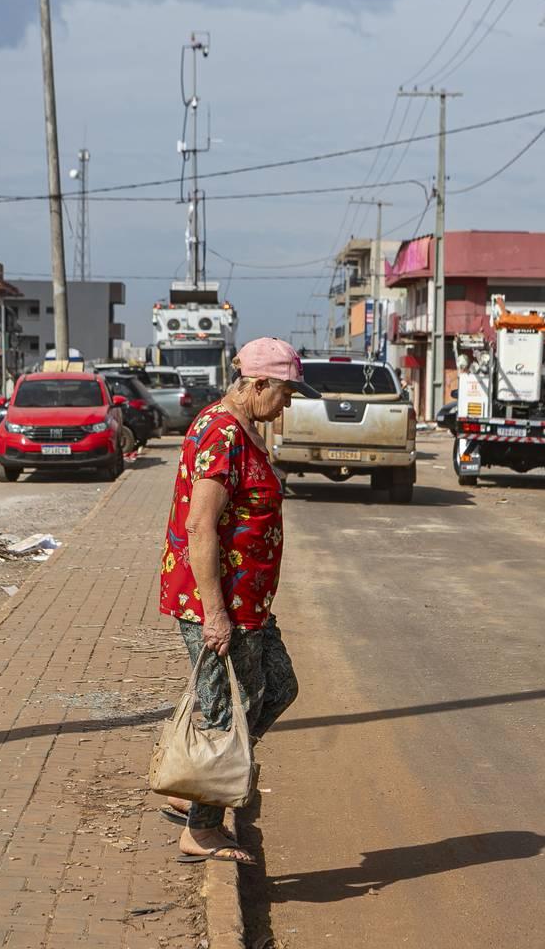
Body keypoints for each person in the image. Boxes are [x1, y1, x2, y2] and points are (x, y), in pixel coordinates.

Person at [156, 337, 321, 865]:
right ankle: (201, 826)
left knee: (279, 689)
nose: (288, 403)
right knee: (226, 713)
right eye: (285, 392)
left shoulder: (245, 430)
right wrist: (216, 614)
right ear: (257, 385)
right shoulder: (220, 433)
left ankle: (199, 785)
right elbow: (201, 526)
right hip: (216, 603)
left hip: (250, 604)